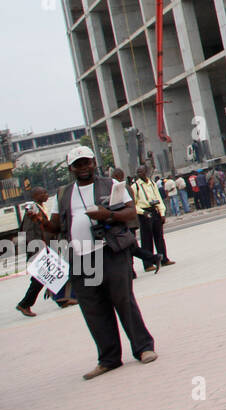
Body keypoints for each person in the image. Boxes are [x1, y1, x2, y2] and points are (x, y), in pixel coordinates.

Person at [39, 146, 157, 379]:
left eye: (87, 163)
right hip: (80, 258)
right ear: (70, 168)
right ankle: (109, 358)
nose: (84, 168)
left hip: (110, 251)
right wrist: (40, 222)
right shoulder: (63, 194)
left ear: (94, 162)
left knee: (123, 300)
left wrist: (108, 215)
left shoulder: (111, 185)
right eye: (78, 164)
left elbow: (131, 213)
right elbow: (55, 227)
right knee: (93, 309)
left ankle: (143, 348)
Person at [15, 189, 60, 317]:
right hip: (37, 249)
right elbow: (29, 231)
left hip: (42, 248)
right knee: (41, 278)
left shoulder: (40, 208)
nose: (46, 195)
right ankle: (24, 304)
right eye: (43, 193)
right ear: (35, 196)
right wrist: (38, 249)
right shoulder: (32, 210)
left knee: (42, 277)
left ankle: (26, 304)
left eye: (46, 192)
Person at [130, 166, 174, 271]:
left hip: (155, 211)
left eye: (141, 171)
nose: (139, 173)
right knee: (146, 239)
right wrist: (142, 212)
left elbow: (158, 198)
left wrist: (162, 213)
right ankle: (148, 264)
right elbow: (133, 204)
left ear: (147, 172)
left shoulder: (152, 184)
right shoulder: (135, 186)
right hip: (144, 213)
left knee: (159, 237)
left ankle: (164, 259)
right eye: (138, 172)